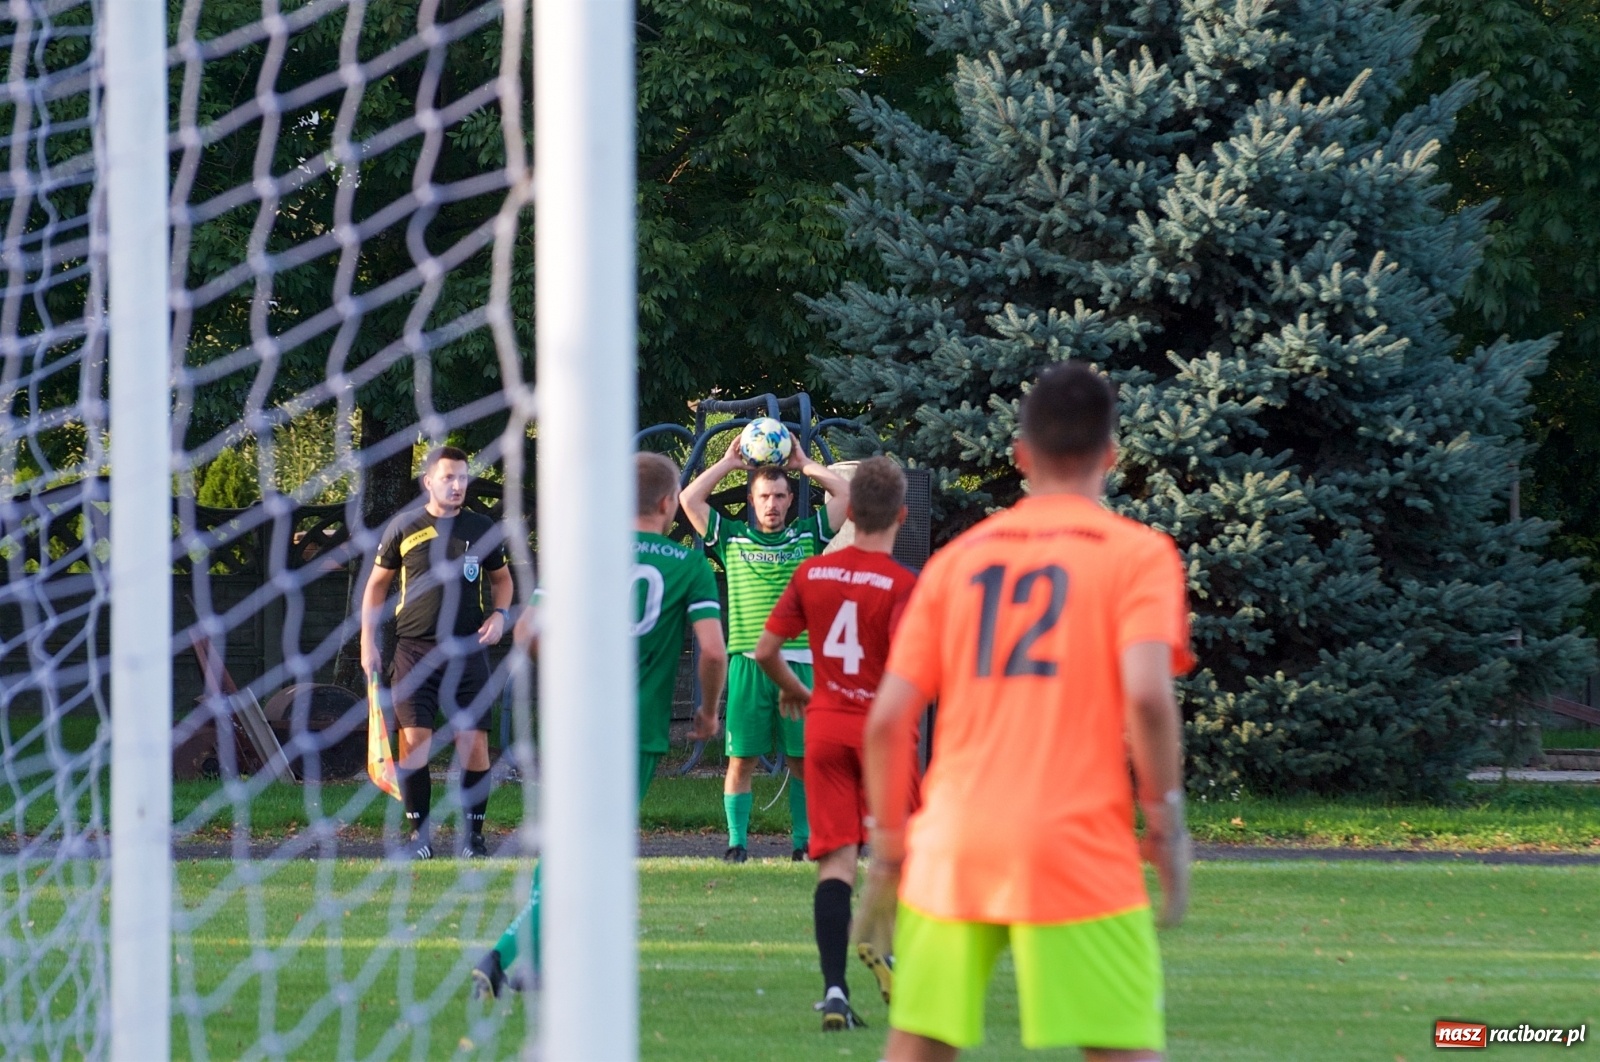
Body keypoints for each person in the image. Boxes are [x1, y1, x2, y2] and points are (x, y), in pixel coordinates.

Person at [853, 363, 1195, 1062]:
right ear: (1111, 455)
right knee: (1121, 1047)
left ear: (1019, 457)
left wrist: (889, 852)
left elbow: (888, 721)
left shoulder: (958, 561)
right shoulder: (1138, 554)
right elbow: (1149, 696)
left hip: (954, 842)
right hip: (1076, 841)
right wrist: (1164, 820)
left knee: (918, 1046)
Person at [470, 451, 728, 997]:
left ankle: (537, 963)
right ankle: (501, 956)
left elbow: (527, 633)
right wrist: (707, 712)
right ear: (667, 503)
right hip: (633, 731)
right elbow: (711, 648)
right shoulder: (688, 565)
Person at [753, 456, 920, 1032]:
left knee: (836, 864)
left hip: (823, 725)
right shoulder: (901, 585)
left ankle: (834, 992)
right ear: (901, 514)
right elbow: (911, 671)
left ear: (849, 512)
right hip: (879, 732)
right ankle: (887, 947)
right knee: (907, 854)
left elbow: (765, 651)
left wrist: (797, 691)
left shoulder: (812, 574)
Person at [680, 431, 851, 862]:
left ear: (790, 499)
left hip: (798, 666)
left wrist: (804, 463)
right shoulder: (732, 538)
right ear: (752, 502)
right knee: (742, 760)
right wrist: (731, 465)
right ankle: (737, 844)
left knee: (801, 762)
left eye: (779, 496)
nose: (772, 504)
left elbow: (846, 495)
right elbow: (689, 500)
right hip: (747, 666)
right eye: (763, 496)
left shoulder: (807, 537)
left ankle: (802, 844)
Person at [360, 445, 513, 860]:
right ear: (429, 481)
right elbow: (375, 587)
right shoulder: (404, 526)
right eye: (448, 477)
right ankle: (419, 838)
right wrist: (366, 641)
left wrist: (500, 616)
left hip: (467, 652)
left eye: (463, 477)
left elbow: (503, 581)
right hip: (414, 652)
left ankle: (473, 839)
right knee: (414, 743)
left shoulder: (482, 528)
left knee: (475, 745)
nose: (458, 485)